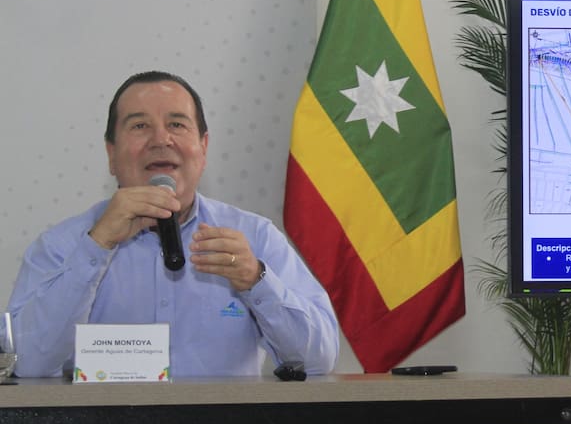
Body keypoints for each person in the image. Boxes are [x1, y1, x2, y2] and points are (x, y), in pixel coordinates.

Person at [6, 71, 339, 377]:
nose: (160, 140)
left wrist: (256, 280)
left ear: (203, 148)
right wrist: (97, 246)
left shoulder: (254, 237)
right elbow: (25, 365)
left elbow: (318, 362)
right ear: (111, 154)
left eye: (177, 125)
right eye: (139, 126)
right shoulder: (62, 245)